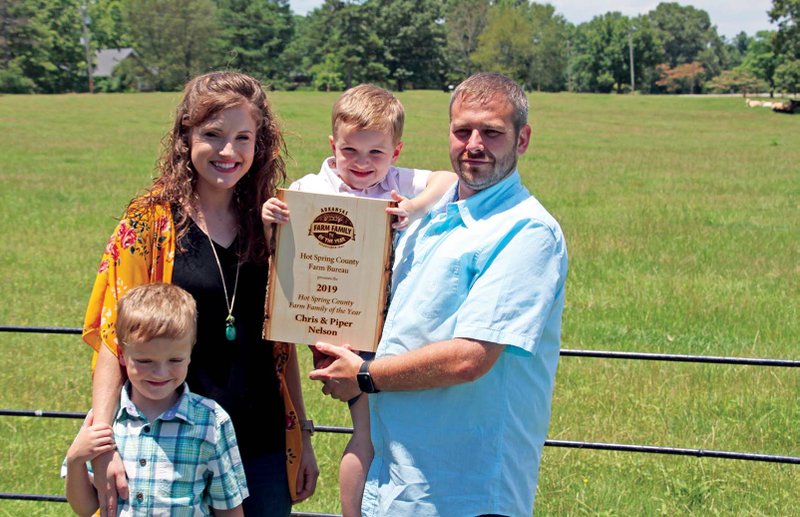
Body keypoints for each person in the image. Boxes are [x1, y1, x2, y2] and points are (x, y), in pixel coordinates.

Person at [308, 72, 568, 516]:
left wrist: (365, 375)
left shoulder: (526, 231)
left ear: (522, 139)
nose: (474, 144)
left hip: (462, 488)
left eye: (492, 132)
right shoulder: (429, 214)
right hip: (395, 480)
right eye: (462, 130)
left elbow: (471, 358)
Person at [83, 71, 318, 517]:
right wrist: (104, 441)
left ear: (259, 143)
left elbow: (279, 342)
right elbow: (114, 336)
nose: (228, 152)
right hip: (172, 443)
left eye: (243, 138)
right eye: (213, 135)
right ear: (185, 137)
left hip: (263, 445)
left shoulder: (273, 220)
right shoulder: (148, 223)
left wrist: (302, 434)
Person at [261, 83, 455, 516]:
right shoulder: (312, 187)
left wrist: (415, 206)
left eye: (376, 154)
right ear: (333, 145)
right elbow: (280, 245)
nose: (363, 164)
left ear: (397, 151)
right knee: (367, 430)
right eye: (350, 151)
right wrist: (270, 217)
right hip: (336, 326)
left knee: (390, 430)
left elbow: (449, 180)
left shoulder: (397, 182)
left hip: (389, 323)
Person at [65, 283, 248, 516]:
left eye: (174, 360)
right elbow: (85, 507)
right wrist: (75, 460)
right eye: (145, 361)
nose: (160, 373)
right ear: (121, 354)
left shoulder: (211, 422)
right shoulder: (104, 420)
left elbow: (229, 508)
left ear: (190, 353)